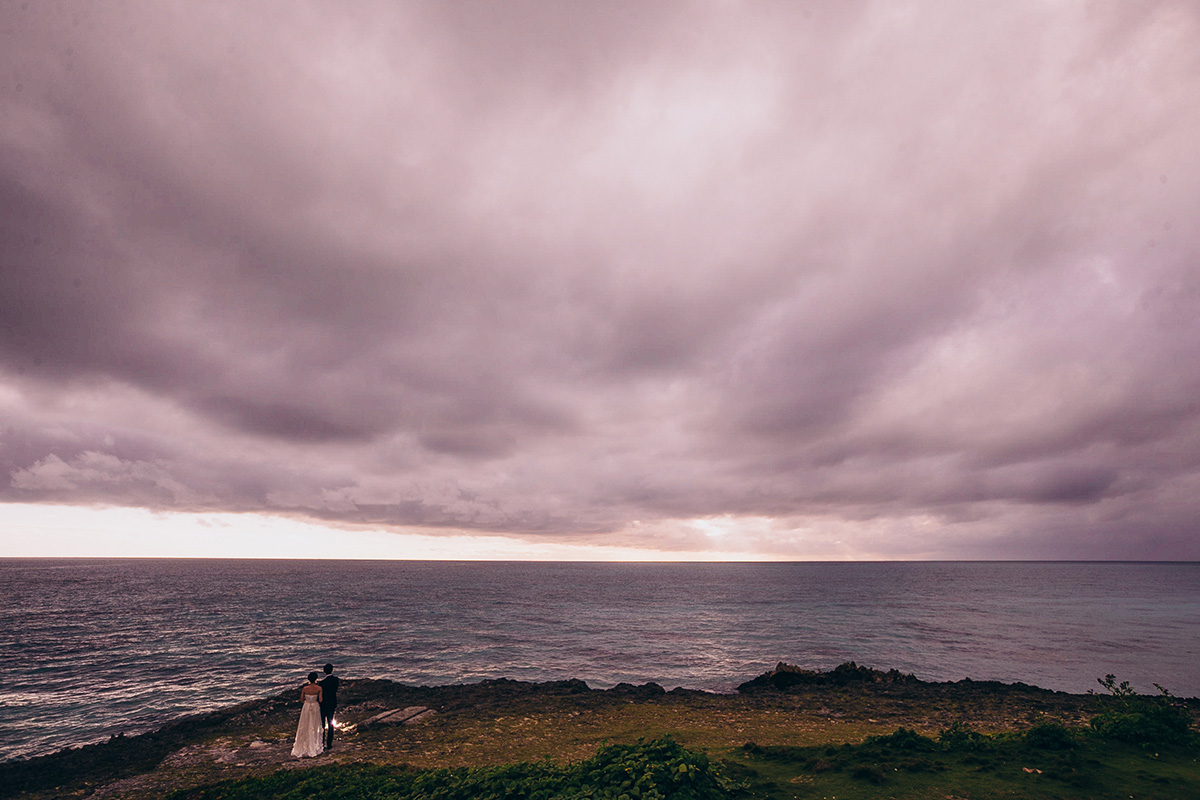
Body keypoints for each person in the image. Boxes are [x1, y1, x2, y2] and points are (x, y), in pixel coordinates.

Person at [291, 672, 324, 758]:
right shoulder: (319, 688)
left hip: (306, 707)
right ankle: (315, 745)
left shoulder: (305, 688)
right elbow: (320, 700)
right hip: (315, 707)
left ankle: (304, 746)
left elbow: (302, 699)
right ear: (316, 679)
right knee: (314, 724)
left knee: (305, 725)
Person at [318, 663, 339, 749]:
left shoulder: (322, 683)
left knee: (322, 724)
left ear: (324, 671)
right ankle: (329, 743)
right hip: (332, 703)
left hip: (323, 704)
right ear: (332, 670)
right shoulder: (336, 680)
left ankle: (322, 742)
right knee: (331, 723)